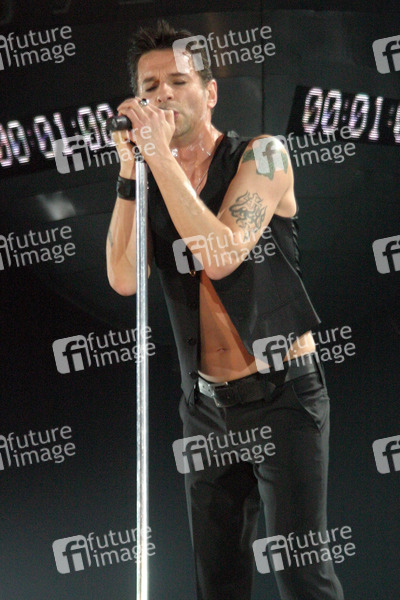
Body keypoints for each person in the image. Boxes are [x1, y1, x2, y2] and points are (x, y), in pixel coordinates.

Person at [106, 19, 345, 600]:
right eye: (150, 86)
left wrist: (159, 159)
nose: (163, 96)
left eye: (178, 81)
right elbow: (123, 278)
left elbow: (221, 256)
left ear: (209, 92)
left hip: (283, 395)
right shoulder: (151, 177)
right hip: (207, 408)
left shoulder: (264, 155)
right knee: (218, 583)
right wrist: (131, 170)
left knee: (300, 574)